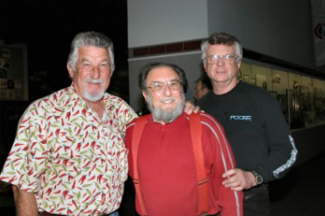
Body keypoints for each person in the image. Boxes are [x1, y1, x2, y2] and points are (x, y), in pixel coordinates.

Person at [0, 31, 137, 216]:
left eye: (103, 65)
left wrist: (183, 112)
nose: (95, 73)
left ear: (111, 71)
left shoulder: (120, 109)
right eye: (86, 64)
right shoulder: (43, 112)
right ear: (71, 69)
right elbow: (22, 186)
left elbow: (150, 138)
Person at [198, 32, 298, 216]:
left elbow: (288, 152)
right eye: (213, 57)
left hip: (249, 201)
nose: (220, 63)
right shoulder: (199, 108)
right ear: (205, 65)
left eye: (228, 56)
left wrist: (254, 177)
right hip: (208, 201)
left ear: (238, 63)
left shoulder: (260, 99)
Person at [125, 62, 243, 216]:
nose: (167, 92)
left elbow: (230, 184)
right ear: (146, 95)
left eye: (173, 84)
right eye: (157, 86)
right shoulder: (132, 130)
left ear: (182, 90)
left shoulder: (205, 125)